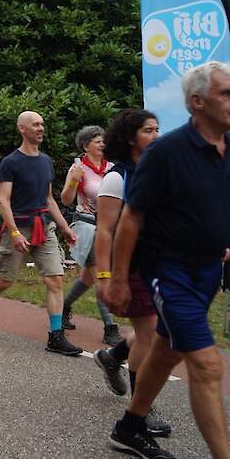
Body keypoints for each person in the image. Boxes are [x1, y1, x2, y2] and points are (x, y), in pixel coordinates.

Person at [106, 62, 230, 458]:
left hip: (209, 269)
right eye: (225, 93)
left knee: (167, 349)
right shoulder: (167, 151)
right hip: (168, 270)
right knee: (208, 366)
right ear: (197, 102)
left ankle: (129, 428)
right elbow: (130, 219)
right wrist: (118, 279)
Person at [0, 111, 81, 356]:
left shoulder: (46, 161)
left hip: (44, 226)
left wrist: (65, 228)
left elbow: (49, 199)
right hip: (17, 227)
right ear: (22, 129)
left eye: (42, 124)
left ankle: (55, 335)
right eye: (35, 125)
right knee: (6, 280)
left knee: (55, 279)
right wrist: (16, 232)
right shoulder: (11, 162)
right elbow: (4, 200)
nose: (41, 128)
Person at [88, 109, 170, 438]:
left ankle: (114, 355)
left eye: (157, 129)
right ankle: (141, 408)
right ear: (129, 137)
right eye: (148, 130)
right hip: (131, 266)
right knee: (150, 334)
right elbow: (105, 231)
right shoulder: (116, 177)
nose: (156, 135)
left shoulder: (157, 173)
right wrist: (106, 277)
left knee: (163, 329)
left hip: (161, 264)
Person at [59, 126, 123, 346]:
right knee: (99, 275)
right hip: (86, 226)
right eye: (98, 141)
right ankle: (110, 327)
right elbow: (66, 200)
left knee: (87, 277)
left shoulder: (112, 168)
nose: (103, 144)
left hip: (108, 226)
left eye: (104, 141)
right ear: (86, 146)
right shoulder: (78, 168)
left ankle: (63, 307)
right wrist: (74, 181)